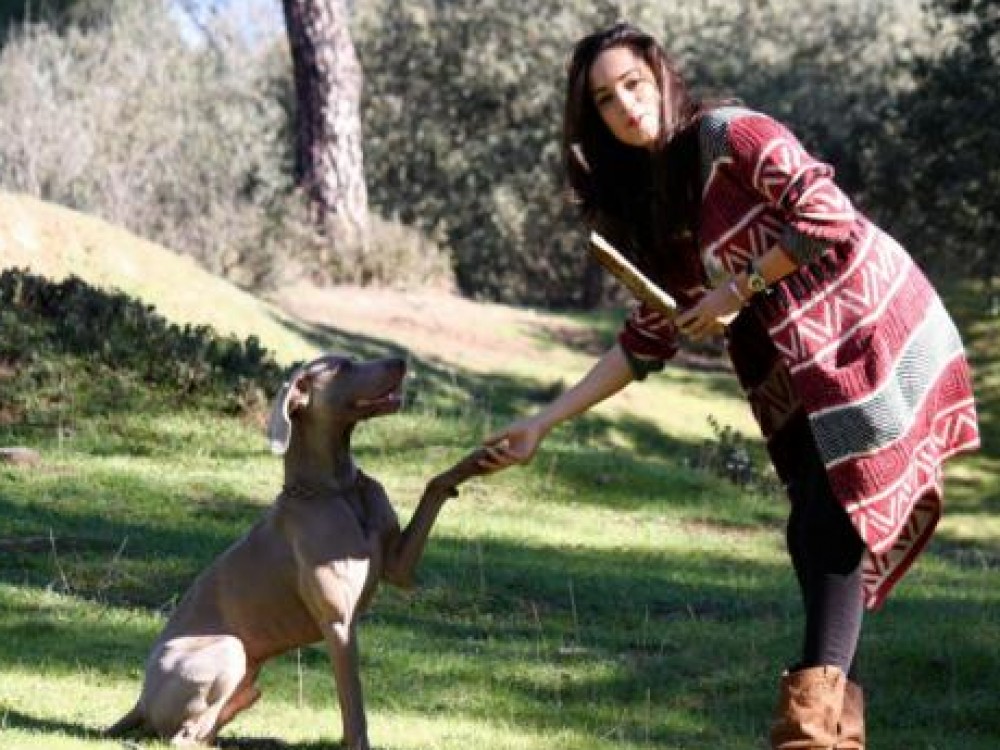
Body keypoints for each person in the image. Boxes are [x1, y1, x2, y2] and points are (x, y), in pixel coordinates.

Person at [479, 21, 980, 749]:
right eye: (605, 99)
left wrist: (739, 287)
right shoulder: (655, 201)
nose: (625, 105)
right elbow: (649, 336)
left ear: (661, 77)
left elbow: (827, 215)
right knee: (812, 534)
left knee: (830, 522)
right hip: (800, 372)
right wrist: (541, 424)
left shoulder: (730, 135)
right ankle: (835, 733)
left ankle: (809, 738)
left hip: (868, 334)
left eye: (633, 84)